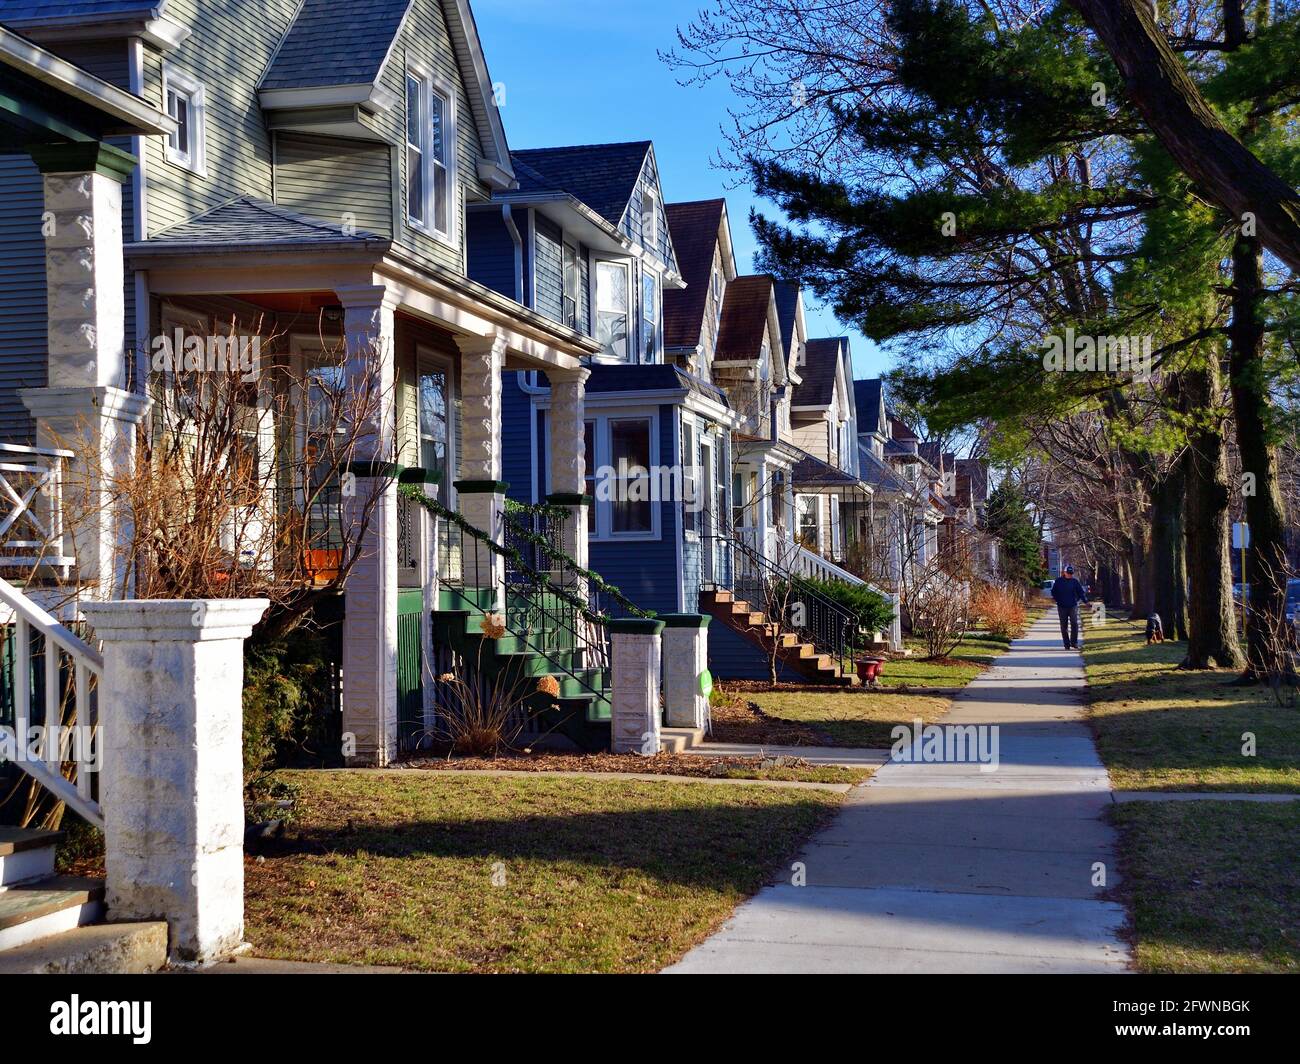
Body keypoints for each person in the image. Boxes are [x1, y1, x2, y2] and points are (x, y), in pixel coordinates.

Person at [1050, 565, 1089, 650]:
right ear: (1064, 573)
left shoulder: (1075, 582)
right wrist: (1057, 600)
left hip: (1073, 606)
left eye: (1071, 573)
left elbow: (1081, 593)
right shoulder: (1058, 581)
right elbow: (1053, 592)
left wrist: (1086, 602)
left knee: (1074, 624)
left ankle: (1074, 643)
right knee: (1064, 626)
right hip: (1062, 606)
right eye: (1068, 573)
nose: (1070, 575)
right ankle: (1066, 644)